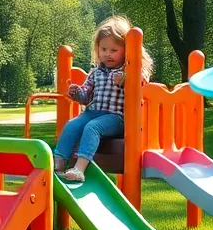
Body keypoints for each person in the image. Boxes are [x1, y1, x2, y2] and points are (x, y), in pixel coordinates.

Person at [54, 16, 152, 182]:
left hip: (115, 117)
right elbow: (86, 96)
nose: (108, 54)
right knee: (72, 125)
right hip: (92, 111)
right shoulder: (96, 72)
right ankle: (59, 162)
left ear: (127, 49)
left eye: (114, 50)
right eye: (104, 49)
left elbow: (142, 85)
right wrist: (77, 92)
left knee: (92, 128)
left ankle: (79, 168)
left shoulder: (131, 70)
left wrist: (127, 80)